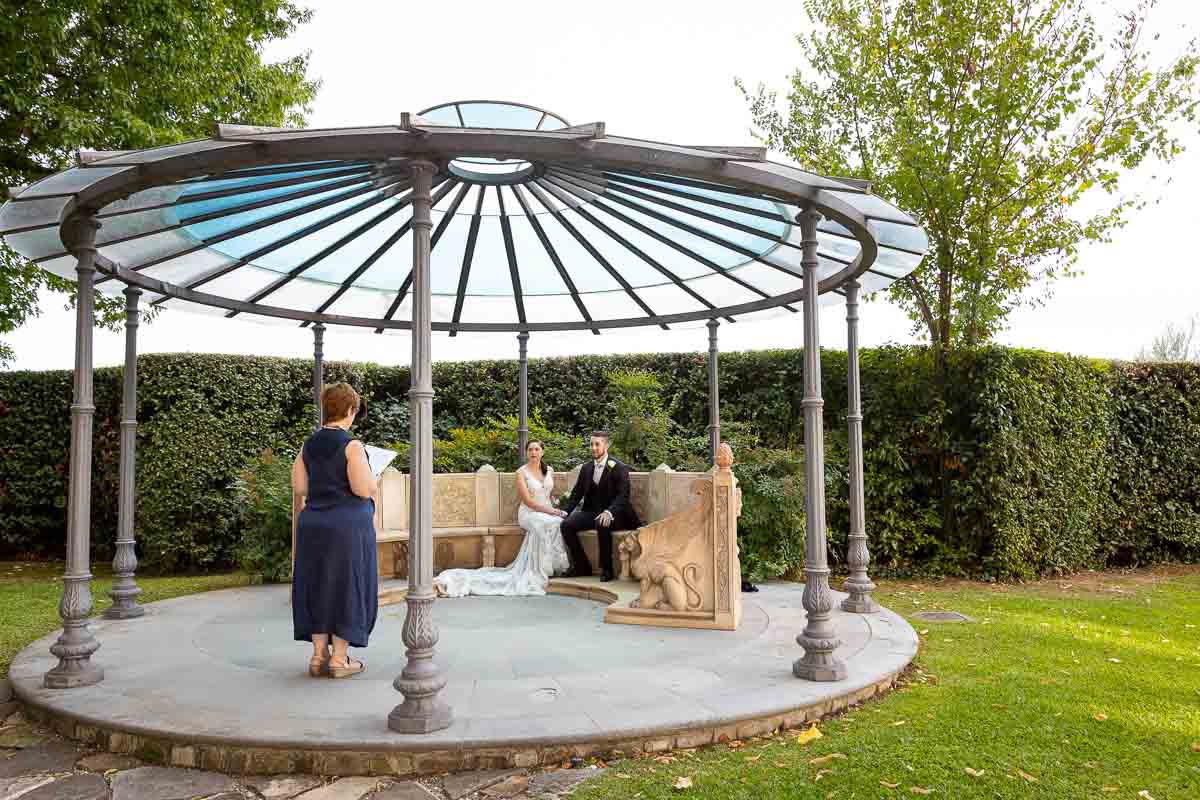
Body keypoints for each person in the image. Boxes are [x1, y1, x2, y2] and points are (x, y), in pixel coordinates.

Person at [291, 382, 378, 679]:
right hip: (346, 527)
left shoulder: (308, 445)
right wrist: (372, 475)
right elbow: (363, 488)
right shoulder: (352, 445)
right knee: (345, 586)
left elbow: (300, 487)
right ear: (350, 410)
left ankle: (318, 656)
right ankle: (340, 660)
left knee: (317, 584)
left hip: (313, 524)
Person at [434, 441, 570, 597]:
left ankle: (549, 566)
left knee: (557, 522)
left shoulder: (549, 471)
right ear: (527, 453)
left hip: (547, 511)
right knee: (545, 523)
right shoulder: (521, 473)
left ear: (542, 452)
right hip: (529, 513)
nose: (533, 452)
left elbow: (548, 493)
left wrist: (556, 504)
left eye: (537, 449)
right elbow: (528, 501)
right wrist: (551, 511)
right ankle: (538, 570)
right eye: (530, 449)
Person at [559, 431, 642, 582]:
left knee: (602, 522)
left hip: (617, 514)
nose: (594, 448)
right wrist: (565, 511)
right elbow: (577, 494)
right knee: (566, 525)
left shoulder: (619, 467)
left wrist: (609, 512)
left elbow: (623, 496)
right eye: (591, 444)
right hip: (592, 511)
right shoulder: (586, 468)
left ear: (607, 445)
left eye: (597, 444)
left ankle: (607, 568)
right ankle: (581, 566)